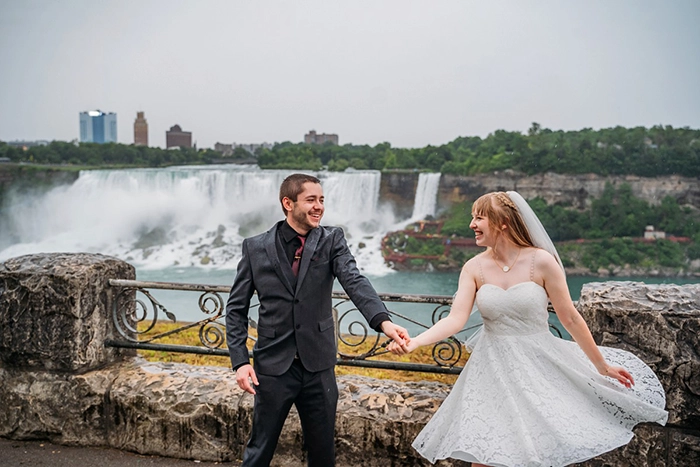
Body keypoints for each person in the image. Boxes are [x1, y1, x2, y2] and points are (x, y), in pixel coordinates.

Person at [388, 191, 668, 467]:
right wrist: (414, 342)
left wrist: (602, 366)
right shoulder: (473, 268)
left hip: (539, 369)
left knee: (532, 454)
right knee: (485, 455)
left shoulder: (542, 262)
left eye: (479, 217)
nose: (472, 224)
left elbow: (569, 318)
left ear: (503, 222)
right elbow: (455, 320)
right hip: (491, 373)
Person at [225, 173, 410, 467]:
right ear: (288, 203)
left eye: (321, 200)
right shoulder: (255, 247)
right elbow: (236, 308)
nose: (319, 207)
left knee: (323, 455)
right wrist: (240, 361)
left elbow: (354, 281)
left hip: (319, 367)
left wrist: (384, 323)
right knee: (258, 451)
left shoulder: (332, 239)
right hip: (272, 367)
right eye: (311, 200)